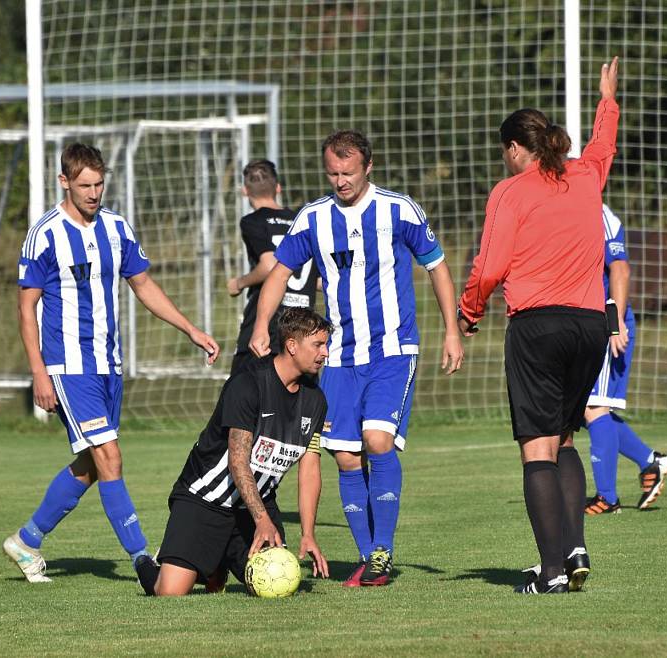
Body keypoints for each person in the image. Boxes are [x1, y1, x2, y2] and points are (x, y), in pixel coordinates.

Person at [250, 130, 464, 587]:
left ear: (368, 166)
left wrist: (452, 330)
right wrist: (260, 326)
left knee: (377, 440)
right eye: (332, 172)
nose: (340, 180)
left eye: (347, 172)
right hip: (339, 356)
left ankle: (382, 552)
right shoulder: (313, 217)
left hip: (392, 349)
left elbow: (438, 267)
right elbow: (279, 271)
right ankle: (370, 559)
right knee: (346, 456)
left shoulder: (398, 210)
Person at [4, 143, 219, 583]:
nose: (93, 193)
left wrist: (191, 329)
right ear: (64, 181)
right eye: (84, 185)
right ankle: (143, 559)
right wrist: (39, 372)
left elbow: (143, 285)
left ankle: (26, 541)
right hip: (68, 365)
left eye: (99, 184)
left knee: (90, 464)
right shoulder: (45, 234)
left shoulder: (116, 228)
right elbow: (26, 310)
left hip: (108, 364)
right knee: (110, 456)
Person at [457, 57, 620, 594]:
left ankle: (550, 571)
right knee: (564, 438)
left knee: (536, 448)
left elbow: (492, 264)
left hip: (538, 327)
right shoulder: (585, 176)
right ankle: (573, 548)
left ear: (514, 148)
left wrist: (469, 310)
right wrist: (607, 100)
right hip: (590, 326)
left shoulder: (510, 191)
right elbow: (603, 147)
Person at [135, 307, 331, 596]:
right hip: (204, 499)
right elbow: (238, 461)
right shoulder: (248, 384)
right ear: (291, 345)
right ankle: (150, 566)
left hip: (253, 507)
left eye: (325, 344)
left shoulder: (315, 401)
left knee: (276, 585)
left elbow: (310, 468)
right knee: (171, 592)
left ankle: (216, 560)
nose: (325, 353)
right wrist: (262, 521)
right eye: (318, 344)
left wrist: (308, 534)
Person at [584, 204, 667, 514]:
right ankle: (652, 462)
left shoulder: (599, 213)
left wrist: (615, 322)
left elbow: (620, 268)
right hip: (580, 323)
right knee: (585, 408)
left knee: (594, 407)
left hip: (607, 323)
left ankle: (607, 498)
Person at [226, 159, 319, 377]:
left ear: (245, 191)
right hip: (303, 322)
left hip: (268, 322)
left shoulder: (252, 221)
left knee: (242, 401)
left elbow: (268, 265)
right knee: (298, 403)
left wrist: (239, 283)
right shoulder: (301, 220)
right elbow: (315, 278)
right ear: (278, 188)